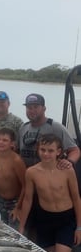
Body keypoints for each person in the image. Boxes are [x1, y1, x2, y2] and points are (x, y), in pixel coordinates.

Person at [17, 93, 80, 241]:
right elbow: (18, 154)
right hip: (30, 181)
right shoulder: (23, 128)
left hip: (52, 183)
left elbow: (75, 150)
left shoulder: (55, 127)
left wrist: (69, 162)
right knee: (32, 229)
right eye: (29, 108)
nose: (31, 110)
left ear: (44, 108)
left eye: (35, 107)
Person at [18, 134, 81, 252]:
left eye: (50, 151)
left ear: (59, 152)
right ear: (38, 150)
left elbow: (76, 199)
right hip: (45, 219)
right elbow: (28, 199)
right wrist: (22, 226)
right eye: (43, 150)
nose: (46, 154)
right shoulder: (31, 172)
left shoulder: (67, 170)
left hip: (66, 220)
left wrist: (79, 227)